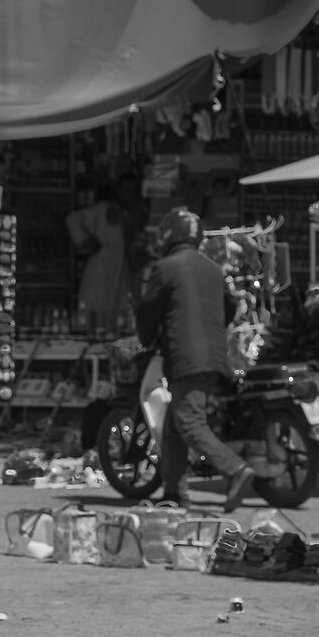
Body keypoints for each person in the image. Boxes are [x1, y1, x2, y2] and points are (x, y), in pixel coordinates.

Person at [136, 209, 255, 512]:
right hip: (215, 356)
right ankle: (175, 491)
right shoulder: (213, 269)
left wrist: (147, 339)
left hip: (185, 356)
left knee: (189, 422)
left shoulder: (165, 268)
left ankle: (236, 470)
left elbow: (148, 310)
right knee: (175, 424)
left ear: (169, 235)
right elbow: (229, 308)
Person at [67, 186, 133, 337]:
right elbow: (72, 219)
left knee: (121, 319)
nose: (132, 194)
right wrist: (87, 242)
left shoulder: (134, 214)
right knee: (94, 315)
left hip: (122, 273)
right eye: (128, 189)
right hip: (100, 270)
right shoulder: (105, 209)